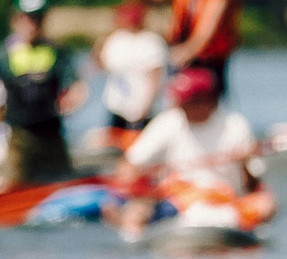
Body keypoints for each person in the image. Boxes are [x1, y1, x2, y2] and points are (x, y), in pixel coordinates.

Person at [113, 66, 268, 234]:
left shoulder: (235, 125)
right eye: (180, 100)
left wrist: (243, 162)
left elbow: (254, 184)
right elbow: (130, 163)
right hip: (177, 198)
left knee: (266, 204)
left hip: (226, 199)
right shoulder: (170, 121)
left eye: (187, 101)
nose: (179, 105)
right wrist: (136, 177)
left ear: (210, 101)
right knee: (137, 211)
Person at [0, 0, 87, 190]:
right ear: (15, 19)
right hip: (20, 138)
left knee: (65, 188)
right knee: (8, 189)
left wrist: (73, 97)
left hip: (51, 135)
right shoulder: (3, 55)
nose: (32, 24)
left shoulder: (57, 53)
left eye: (38, 18)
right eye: (27, 18)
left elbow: (75, 84)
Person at [93, 0, 169, 146]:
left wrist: (144, 109)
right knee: (115, 148)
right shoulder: (115, 40)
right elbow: (100, 67)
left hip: (143, 111)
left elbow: (155, 78)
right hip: (117, 108)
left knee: (142, 149)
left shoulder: (151, 42)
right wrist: (98, 48)